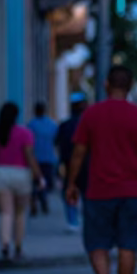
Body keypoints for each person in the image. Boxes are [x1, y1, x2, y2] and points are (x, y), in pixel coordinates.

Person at [65, 67, 137, 274]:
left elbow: (78, 152)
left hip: (98, 190)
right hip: (132, 191)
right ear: (130, 87)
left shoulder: (91, 115)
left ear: (106, 85)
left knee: (97, 243)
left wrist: (71, 184)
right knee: (128, 245)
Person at [0, 102, 44, 262]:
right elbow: (29, 156)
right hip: (21, 174)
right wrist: (38, 175)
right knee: (20, 213)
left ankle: (5, 245)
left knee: (5, 212)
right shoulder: (25, 133)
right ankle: (18, 247)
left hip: (0, 172)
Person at [55, 92, 88, 231]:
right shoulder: (87, 124)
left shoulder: (65, 125)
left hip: (68, 164)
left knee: (69, 191)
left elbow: (57, 143)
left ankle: (72, 221)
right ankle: (88, 220)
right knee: (88, 193)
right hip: (87, 165)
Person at [26, 101, 58, 218]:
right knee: (45, 181)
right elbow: (56, 140)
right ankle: (43, 198)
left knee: (35, 182)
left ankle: (35, 200)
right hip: (48, 158)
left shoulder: (31, 125)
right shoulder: (52, 125)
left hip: (35, 159)